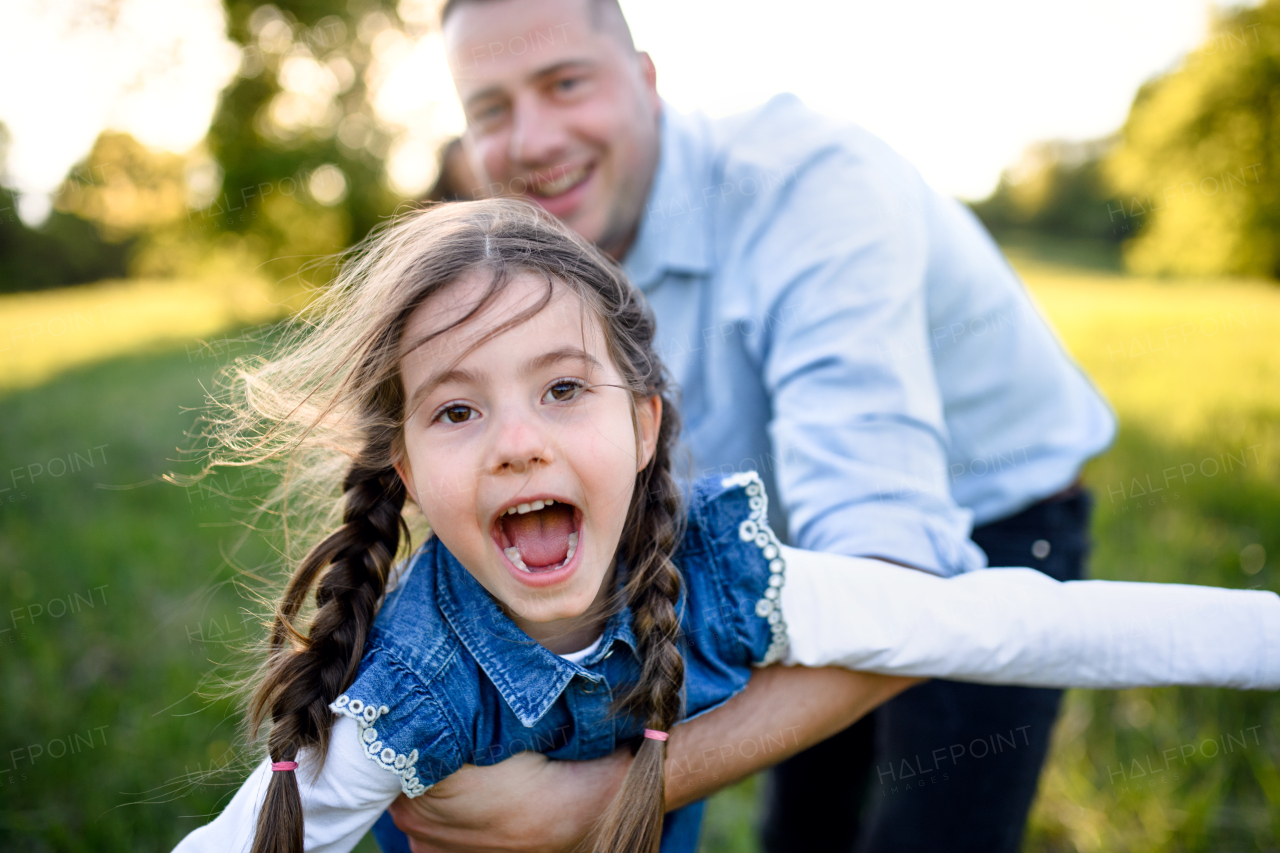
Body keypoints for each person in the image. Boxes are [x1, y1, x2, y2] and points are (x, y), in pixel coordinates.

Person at [169, 200, 1280, 853]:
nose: (515, 441)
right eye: (458, 409)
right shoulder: (399, 699)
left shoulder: (730, 577)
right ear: (406, 466)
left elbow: (999, 626)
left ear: (644, 424)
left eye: (562, 389)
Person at [391, 1, 1124, 850]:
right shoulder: (542, 268)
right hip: (786, 547)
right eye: (490, 108)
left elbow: (899, 574)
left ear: (646, 81)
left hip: (979, 530)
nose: (533, 139)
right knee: (805, 829)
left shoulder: (807, 189)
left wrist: (595, 798)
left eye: (565, 83)